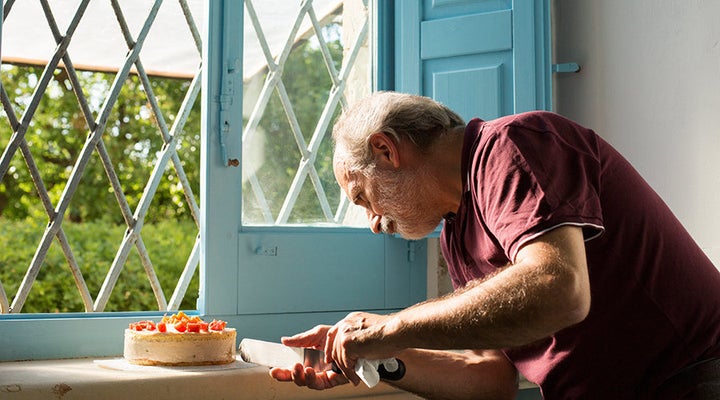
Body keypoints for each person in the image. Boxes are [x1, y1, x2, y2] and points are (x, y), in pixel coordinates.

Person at [269, 91, 720, 399]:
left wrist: (387, 329)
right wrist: (381, 357)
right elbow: (491, 379)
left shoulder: (514, 144)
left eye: (363, 197)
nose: (373, 222)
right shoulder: (456, 235)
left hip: (694, 379)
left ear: (387, 150)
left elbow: (559, 288)